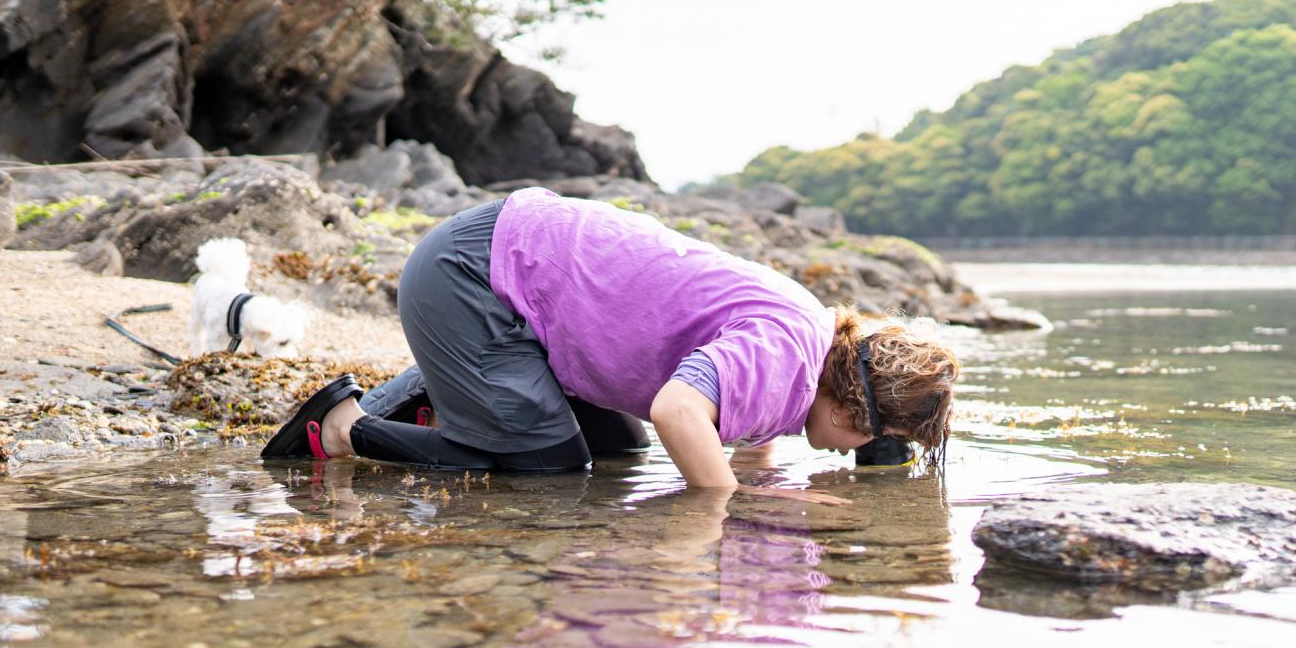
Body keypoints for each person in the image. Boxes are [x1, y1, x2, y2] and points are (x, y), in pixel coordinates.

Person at [262, 187, 958, 502]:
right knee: (551, 467)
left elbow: (740, 423)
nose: (845, 451)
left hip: (503, 278)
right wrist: (730, 502)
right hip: (470, 278)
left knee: (621, 451)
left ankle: (443, 399)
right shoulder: (788, 357)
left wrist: (760, 476)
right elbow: (680, 412)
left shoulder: (808, 345)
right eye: (864, 438)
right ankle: (344, 427)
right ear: (858, 404)